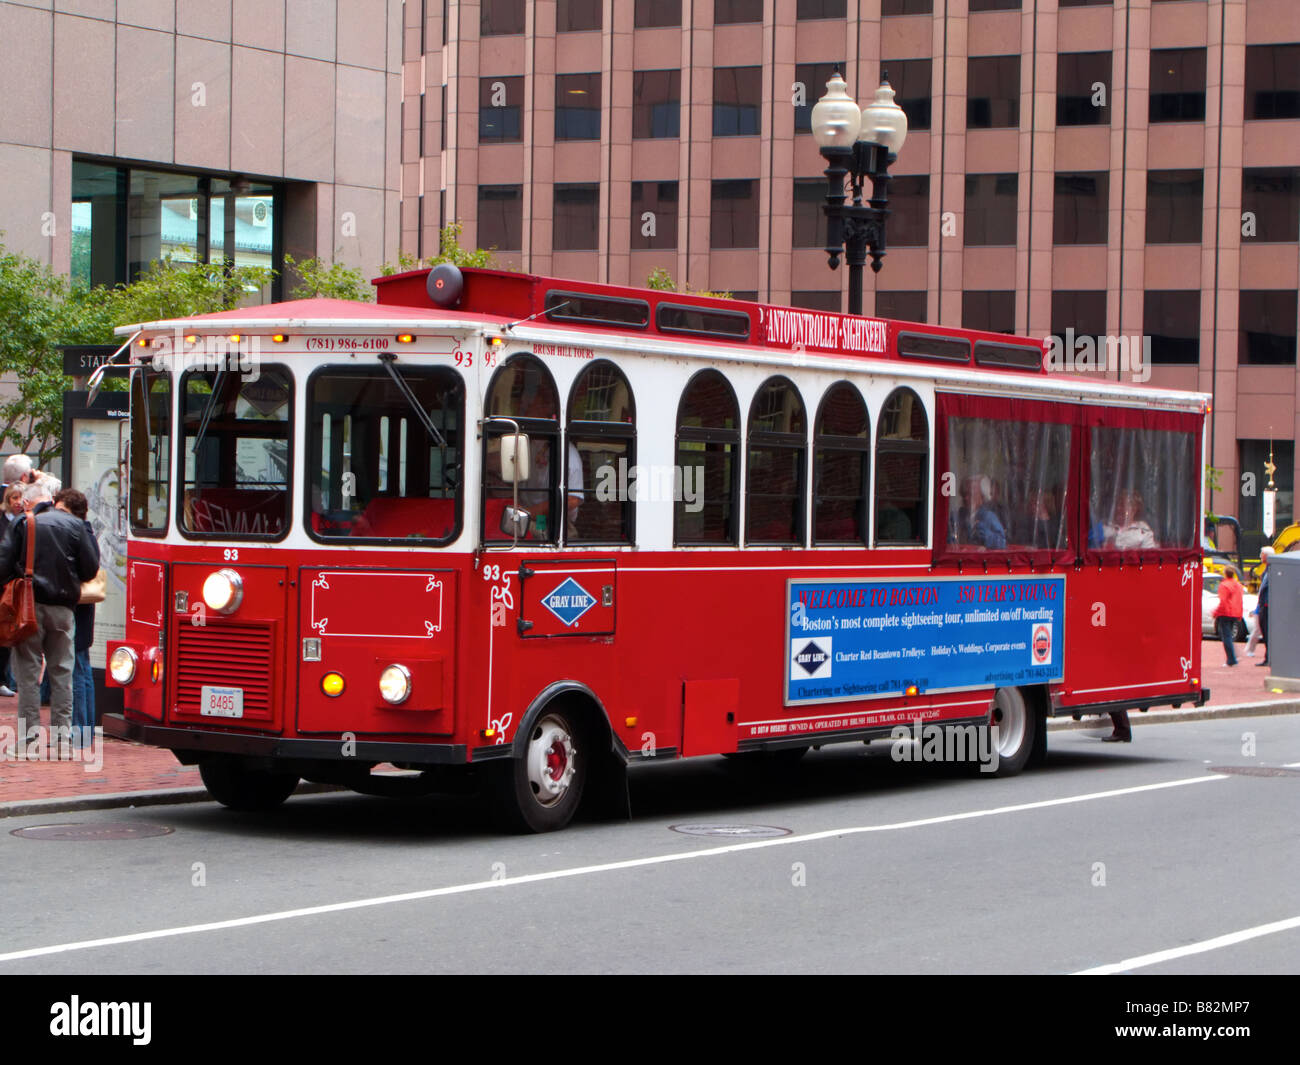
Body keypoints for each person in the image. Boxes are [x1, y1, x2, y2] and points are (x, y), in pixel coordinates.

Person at [0, 480, 100, 756]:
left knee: (28, 676)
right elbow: (90, 569)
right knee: (62, 674)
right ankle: (61, 742)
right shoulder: (77, 526)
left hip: (29, 606)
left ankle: (28, 742)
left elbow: (3, 563)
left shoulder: (24, 523)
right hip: (63, 609)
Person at [54, 489, 99, 741]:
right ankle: (85, 730)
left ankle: (80, 731)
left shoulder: (81, 532)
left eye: (62, 511)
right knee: (82, 667)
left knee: (78, 669)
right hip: (80, 608)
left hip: (78, 608)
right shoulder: (82, 531)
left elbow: (88, 568)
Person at [951, 475, 1007, 549]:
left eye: (970, 494)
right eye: (964, 494)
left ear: (982, 496)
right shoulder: (957, 516)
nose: (966, 498)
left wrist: (986, 535)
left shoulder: (988, 517)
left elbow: (1001, 543)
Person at [1212, 566, 1244, 668]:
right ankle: (1233, 656)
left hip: (1226, 613)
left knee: (1226, 637)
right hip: (1235, 612)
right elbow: (1239, 600)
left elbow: (1223, 601)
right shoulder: (1238, 585)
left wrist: (1216, 612)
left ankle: (1231, 659)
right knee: (1229, 635)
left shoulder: (1224, 585)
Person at [1255, 546, 1274, 668]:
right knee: (1265, 632)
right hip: (1264, 604)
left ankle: (1269, 658)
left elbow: (1265, 588)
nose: (1260, 556)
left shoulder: (1271, 569)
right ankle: (1268, 657)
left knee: (1267, 632)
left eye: (1262, 554)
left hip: (1267, 605)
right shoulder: (1268, 568)